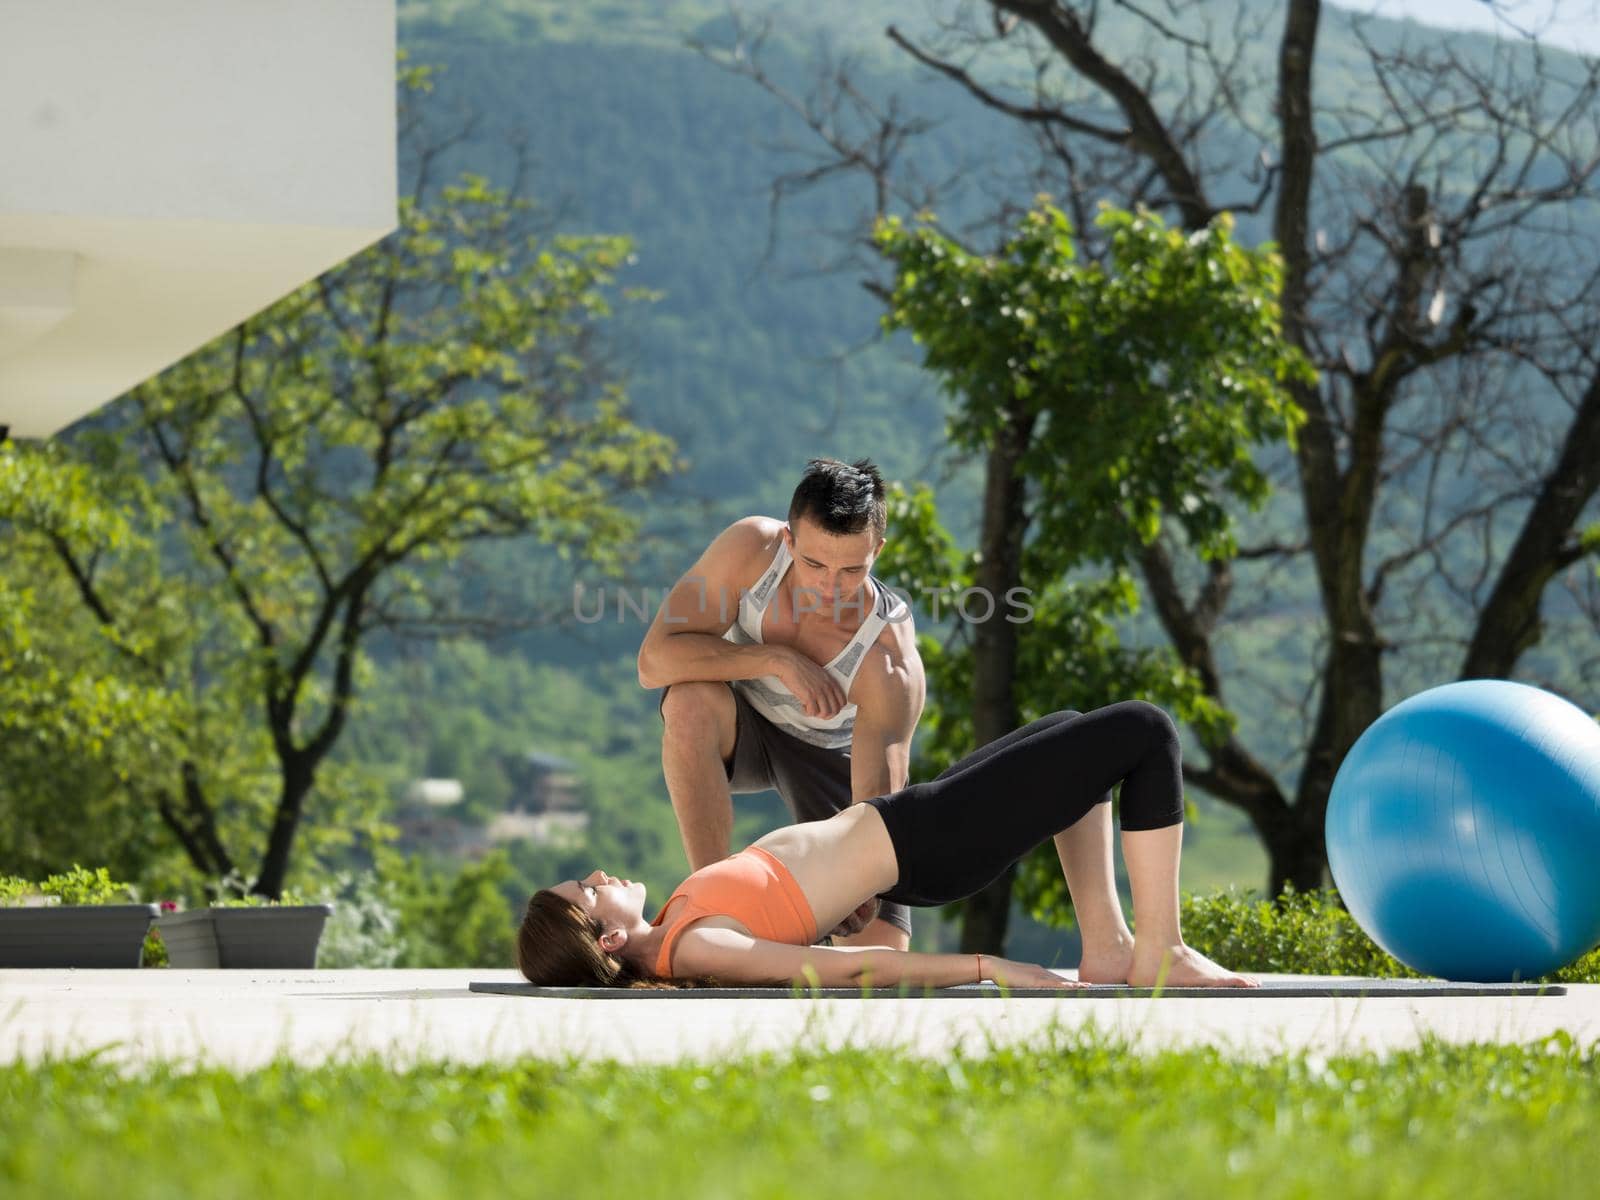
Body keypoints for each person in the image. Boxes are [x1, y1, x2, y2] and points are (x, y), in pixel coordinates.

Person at [517, 702, 1256, 990]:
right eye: (586, 890)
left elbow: (799, 904)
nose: (596, 875)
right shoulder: (698, 948)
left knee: (1068, 731)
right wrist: (988, 967)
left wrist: (827, 897)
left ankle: (1110, 944)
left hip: (911, 822)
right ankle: (1163, 951)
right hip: (930, 844)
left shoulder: (680, 923)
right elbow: (848, 968)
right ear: (609, 937)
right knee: (1145, 731)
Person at [637, 457, 924, 950]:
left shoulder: (887, 657)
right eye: (814, 563)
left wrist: (858, 882)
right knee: (687, 701)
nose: (830, 587)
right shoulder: (750, 550)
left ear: (877, 550)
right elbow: (654, 662)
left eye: (851, 569)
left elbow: (878, 806)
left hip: (835, 758)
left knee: (875, 964)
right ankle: (712, 909)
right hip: (745, 724)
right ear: (789, 540)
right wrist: (776, 658)